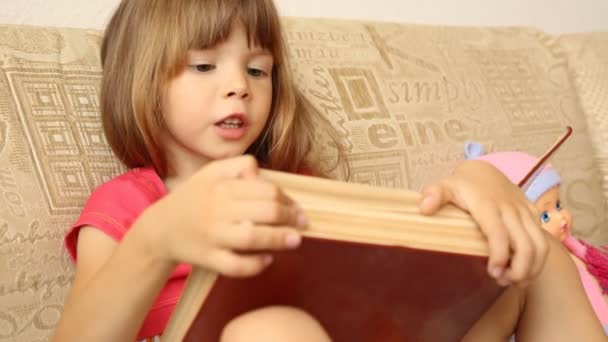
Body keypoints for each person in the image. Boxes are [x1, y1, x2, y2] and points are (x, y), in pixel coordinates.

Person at [50, 0, 605, 341]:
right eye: (203, 65)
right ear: (138, 81)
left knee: (533, 256)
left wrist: (479, 186)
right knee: (268, 330)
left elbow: (393, 282)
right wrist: (158, 237)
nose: (239, 84)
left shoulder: (302, 187)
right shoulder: (126, 206)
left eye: (259, 69)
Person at [464, 141, 608, 335]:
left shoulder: (576, 255)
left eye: (558, 206)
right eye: (545, 216)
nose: (562, 217)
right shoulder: (520, 280)